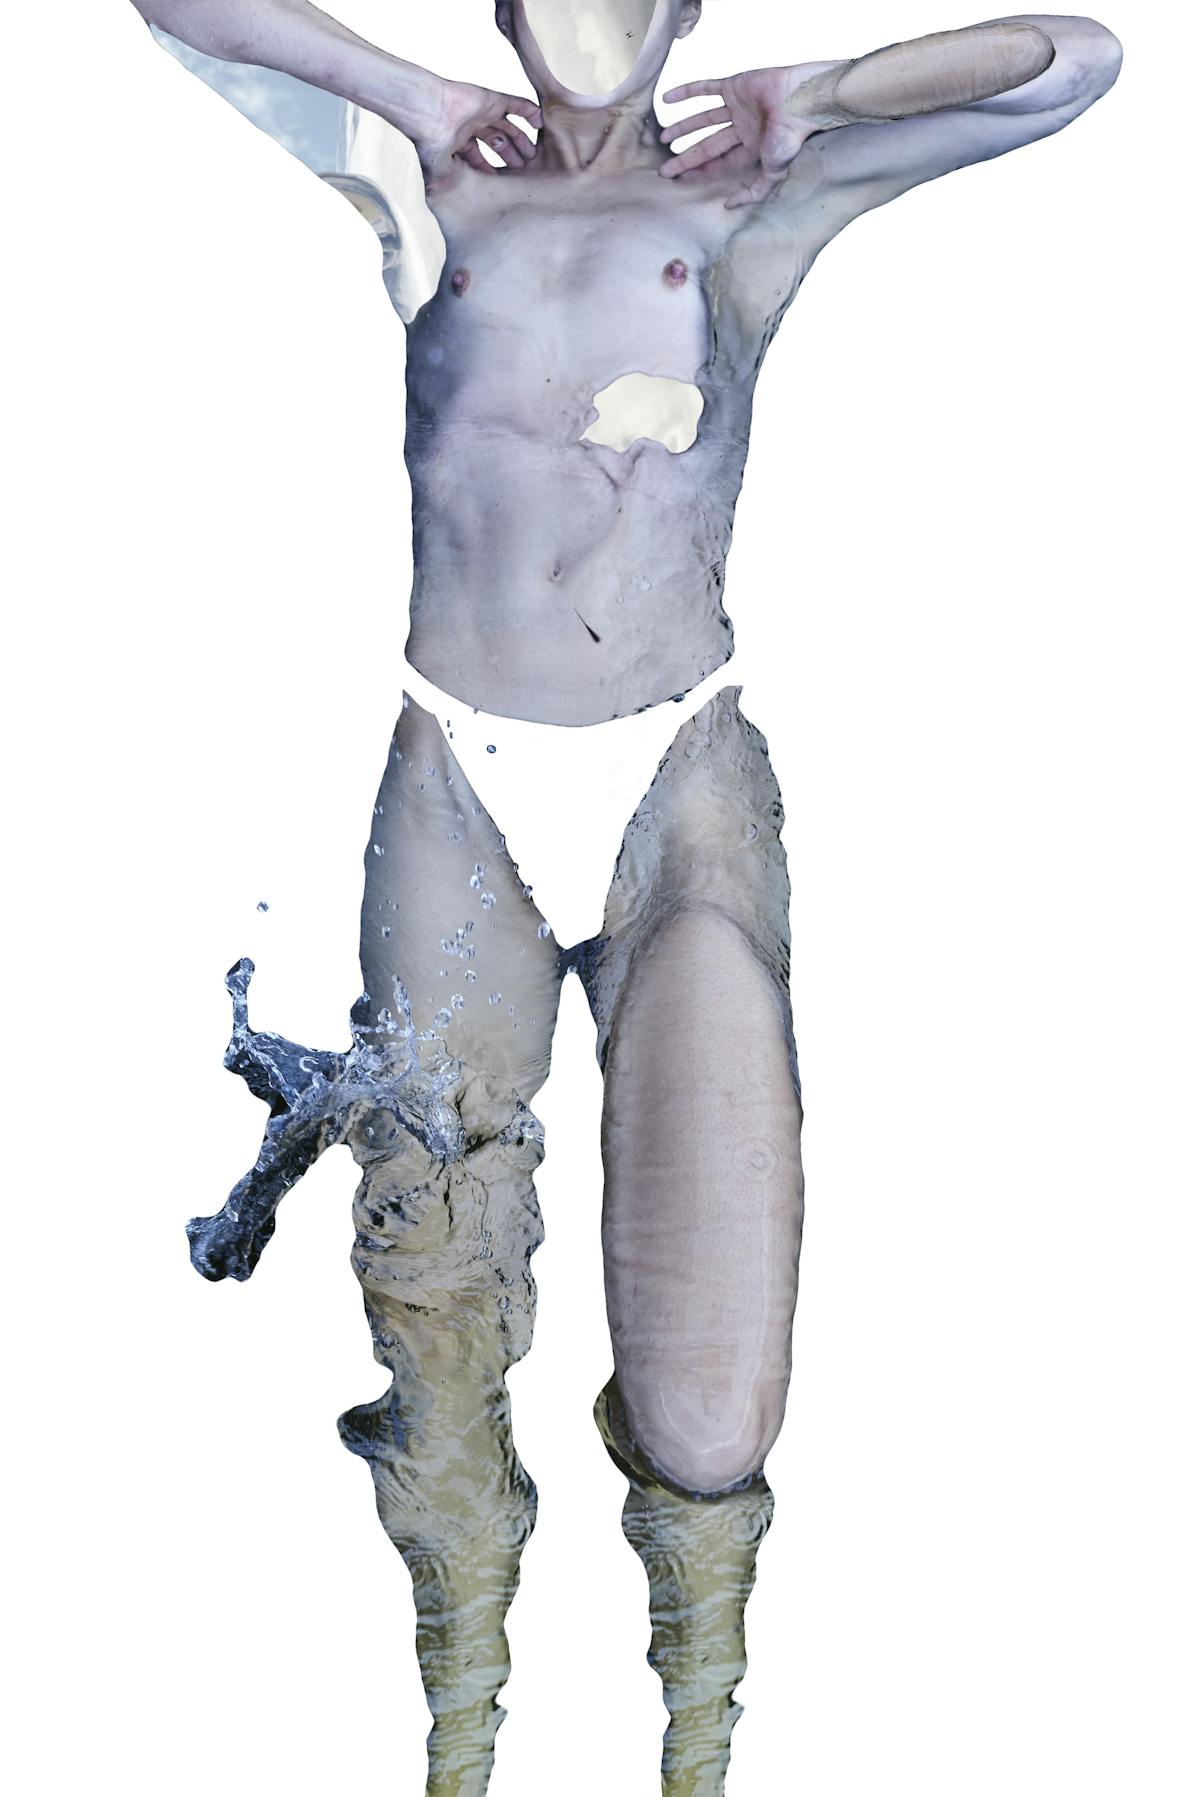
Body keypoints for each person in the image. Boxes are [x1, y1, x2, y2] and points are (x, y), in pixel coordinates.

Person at [131, 5, 1122, 1792]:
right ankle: (460, 1728)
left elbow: (1074, 63)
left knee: (710, 1403)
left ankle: (699, 1733)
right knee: (433, 1298)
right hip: (458, 773)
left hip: (678, 777)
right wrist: (408, 87)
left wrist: (820, 94)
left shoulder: (750, 202)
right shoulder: (428, 185)